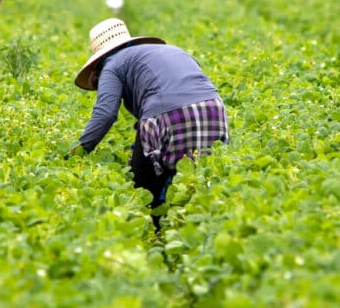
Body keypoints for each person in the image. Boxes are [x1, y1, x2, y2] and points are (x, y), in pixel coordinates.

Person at [69, 19, 229, 229]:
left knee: (143, 182)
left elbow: (105, 113)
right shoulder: (170, 50)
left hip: (167, 115)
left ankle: (157, 230)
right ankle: (204, 226)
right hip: (213, 109)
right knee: (202, 175)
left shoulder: (112, 65)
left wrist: (80, 149)